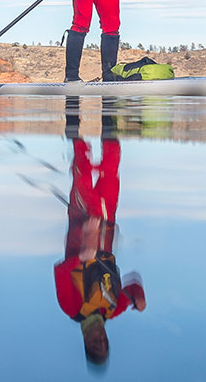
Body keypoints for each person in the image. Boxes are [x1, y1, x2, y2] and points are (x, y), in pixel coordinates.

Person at [55, 97, 146, 366]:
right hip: (105, 224)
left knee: (81, 163)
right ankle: (110, 110)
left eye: (96, 345)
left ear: (85, 342)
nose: (100, 340)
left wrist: (84, 251)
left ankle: (72, 109)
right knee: (112, 161)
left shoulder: (71, 308)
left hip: (81, 222)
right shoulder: (112, 309)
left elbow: (61, 271)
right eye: (104, 343)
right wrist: (139, 300)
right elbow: (133, 285)